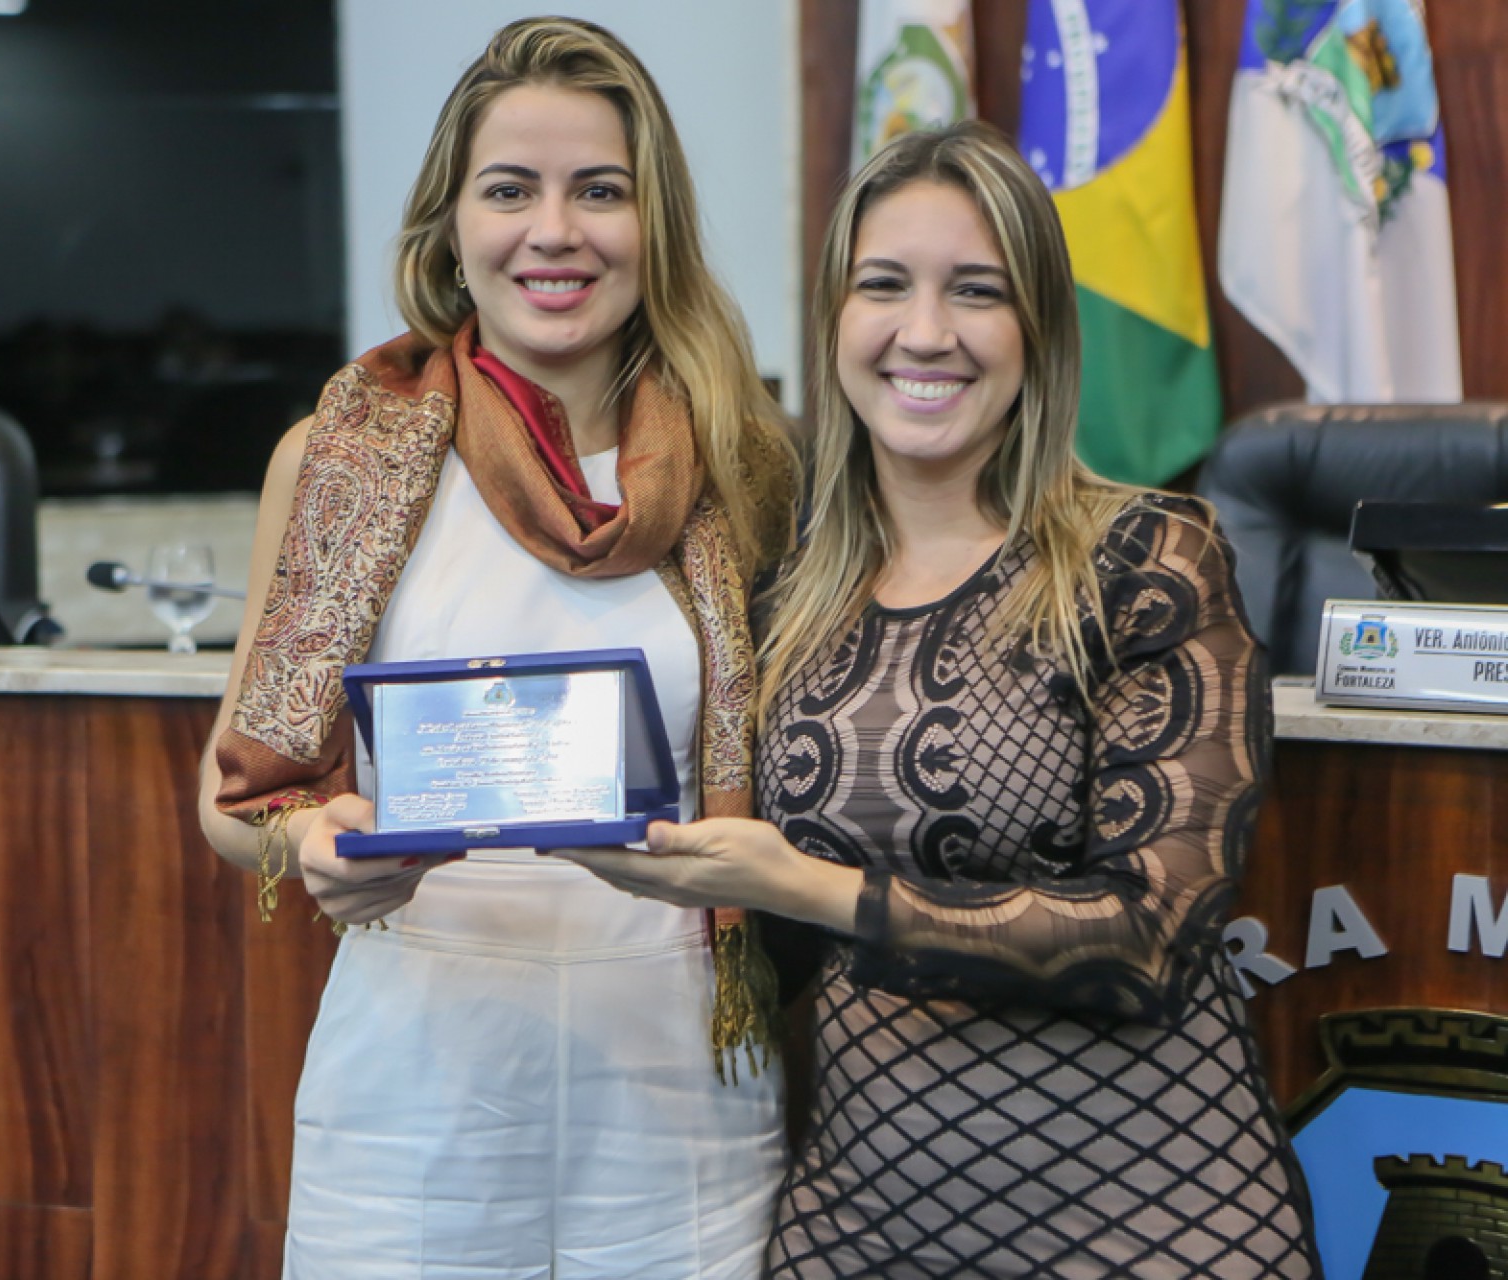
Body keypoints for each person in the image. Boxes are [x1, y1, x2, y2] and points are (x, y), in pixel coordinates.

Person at [562, 121, 1324, 1277]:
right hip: (859, 1223)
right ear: (834, 319)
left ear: (1038, 328)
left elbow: (1147, 933)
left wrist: (801, 881)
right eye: (884, 285)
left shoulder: (1147, 558)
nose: (925, 332)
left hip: (1150, 1223)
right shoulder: (781, 594)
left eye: (977, 290)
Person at [195, 17, 796, 1279]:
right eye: (510, 189)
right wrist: (314, 842)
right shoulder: (341, 458)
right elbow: (233, 800)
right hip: (416, 1078)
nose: (554, 231)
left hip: (678, 1068)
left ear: (656, 223)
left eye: (601, 191)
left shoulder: (747, 463)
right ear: (451, 224)